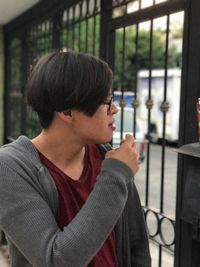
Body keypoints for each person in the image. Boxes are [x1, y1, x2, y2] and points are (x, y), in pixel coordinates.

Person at [0, 50, 151, 267]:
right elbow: (55, 260)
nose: (115, 109)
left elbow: (137, 247)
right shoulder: (11, 167)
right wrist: (116, 175)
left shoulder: (106, 157)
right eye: (107, 101)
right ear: (67, 112)